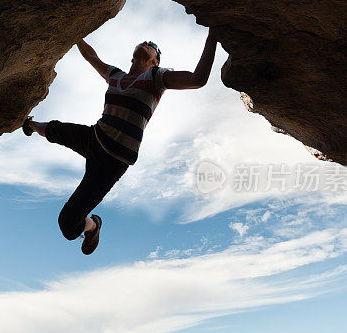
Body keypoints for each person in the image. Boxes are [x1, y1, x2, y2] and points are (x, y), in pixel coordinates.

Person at [22, 29, 218, 254]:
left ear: (155, 61)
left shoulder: (156, 77)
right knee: (55, 130)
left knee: (67, 225)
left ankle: (93, 225)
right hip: (95, 137)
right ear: (133, 55)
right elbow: (91, 57)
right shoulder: (115, 75)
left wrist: (212, 37)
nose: (146, 42)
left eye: (152, 44)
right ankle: (30, 125)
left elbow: (197, 79)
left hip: (112, 162)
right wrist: (74, 32)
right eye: (143, 41)